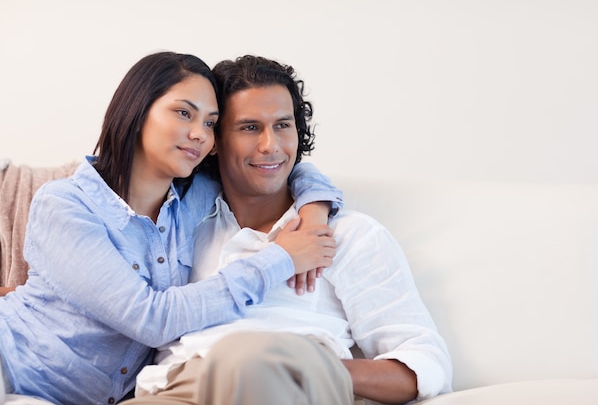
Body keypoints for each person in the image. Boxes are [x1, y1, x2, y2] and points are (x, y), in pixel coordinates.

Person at [0, 51, 343, 405]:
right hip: (11, 368)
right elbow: (150, 319)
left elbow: (277, 168)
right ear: (137, 111)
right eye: (184, 113)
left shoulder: (196, 197)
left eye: (210, 123)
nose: (199, 134)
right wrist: (282, 258)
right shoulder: (64, 205)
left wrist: (313, 215)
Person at [130, 55, 453, 405]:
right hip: (175, 387)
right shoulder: (177, 227)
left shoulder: (347, 235)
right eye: (250, 128)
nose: (271, 146)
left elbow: (425, 364)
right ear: (215, 139)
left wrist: (317, 368)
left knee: (248, 357)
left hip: (291, 381)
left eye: (283, 125)